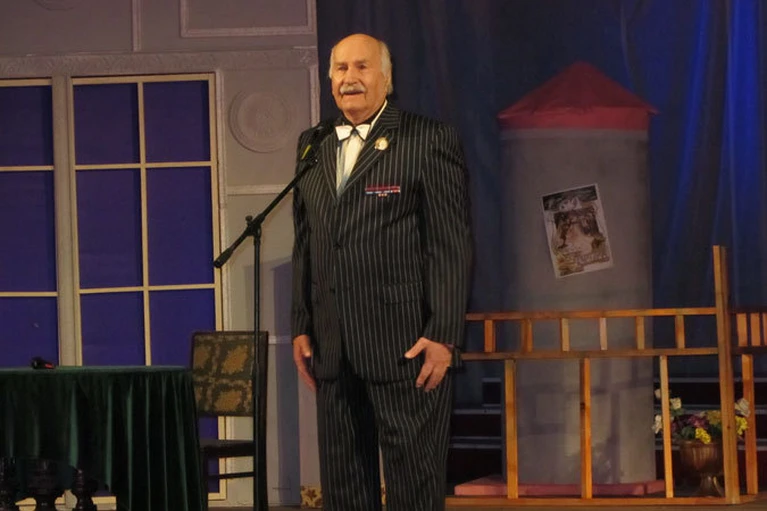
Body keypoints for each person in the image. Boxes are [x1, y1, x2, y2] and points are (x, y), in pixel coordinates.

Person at [291, 33, 472, 511]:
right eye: (340, 69)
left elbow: (450, 244)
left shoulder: (427, 139)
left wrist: (443, 335)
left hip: (406, 346)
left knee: (413, 486)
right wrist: (301, 324)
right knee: (344, 487)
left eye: (362, 67)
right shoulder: (312, 145)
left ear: (387, 79)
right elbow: (306, 242)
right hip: (333, 346)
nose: (349, 78)